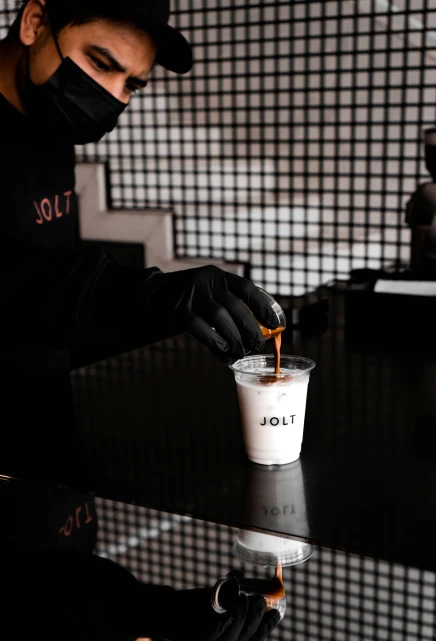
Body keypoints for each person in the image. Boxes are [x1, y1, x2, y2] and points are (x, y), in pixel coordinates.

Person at [0, 0, 280, 368]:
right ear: (34, 23)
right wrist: (143, 293)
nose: (114, 97)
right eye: (100, 64)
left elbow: (49, 272)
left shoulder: (49, 115)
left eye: (131, 85)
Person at [0, 487, 280, 641]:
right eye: (160, 636)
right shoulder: (85, 543)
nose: (142, 634)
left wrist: (148, 611)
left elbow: (28, 597)